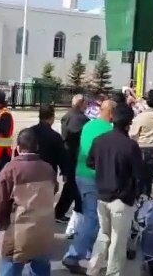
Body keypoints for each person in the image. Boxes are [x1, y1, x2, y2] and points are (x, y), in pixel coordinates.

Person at [0, 128, 57, 276]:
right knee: (41, 267)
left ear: (18, 148)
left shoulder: (10, 170)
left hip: (17, 234)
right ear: (37, 148)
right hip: (43, 231)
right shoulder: (48, 169)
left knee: (10, 268)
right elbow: (54, 190)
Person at [86, 104, 144, 276]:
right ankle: (113, 273)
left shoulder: (100, 140)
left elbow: (90, 162)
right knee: (118, 242)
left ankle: (93, 268)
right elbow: (138, 173)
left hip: (102, 195)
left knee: (103, 235)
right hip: (122, 198)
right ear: (128, 123)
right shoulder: (130, 146)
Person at [62, 100, 116, 274]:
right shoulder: (110, 130)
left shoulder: (89, 125)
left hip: (81, 174)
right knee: (92, 218)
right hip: (94, 178)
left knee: (90, 216)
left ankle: (90, 251)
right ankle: (73, 255)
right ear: (112, 114)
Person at [55, 95, 89, 225]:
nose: (86, 106)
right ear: (80, 103)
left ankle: (60, 212)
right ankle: (65, 212)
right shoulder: (82, 120)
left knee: (70, 186)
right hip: (76, 156)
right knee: (73, 186)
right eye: (85, 103)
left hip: (66, 154)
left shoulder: (67, 115)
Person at [129, 89, 153, 196]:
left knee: (139, 178)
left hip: (142, 148)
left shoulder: (141, 117)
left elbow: (132, 134)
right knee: (149, 177)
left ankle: (139, 199)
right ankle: (147, 197)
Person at [30, 103, 66, 178]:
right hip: (49, 175)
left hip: (31, 173)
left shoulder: (30, 132)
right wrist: (64, 172)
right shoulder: (55, 136)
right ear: (52, 117)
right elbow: (62, 157)